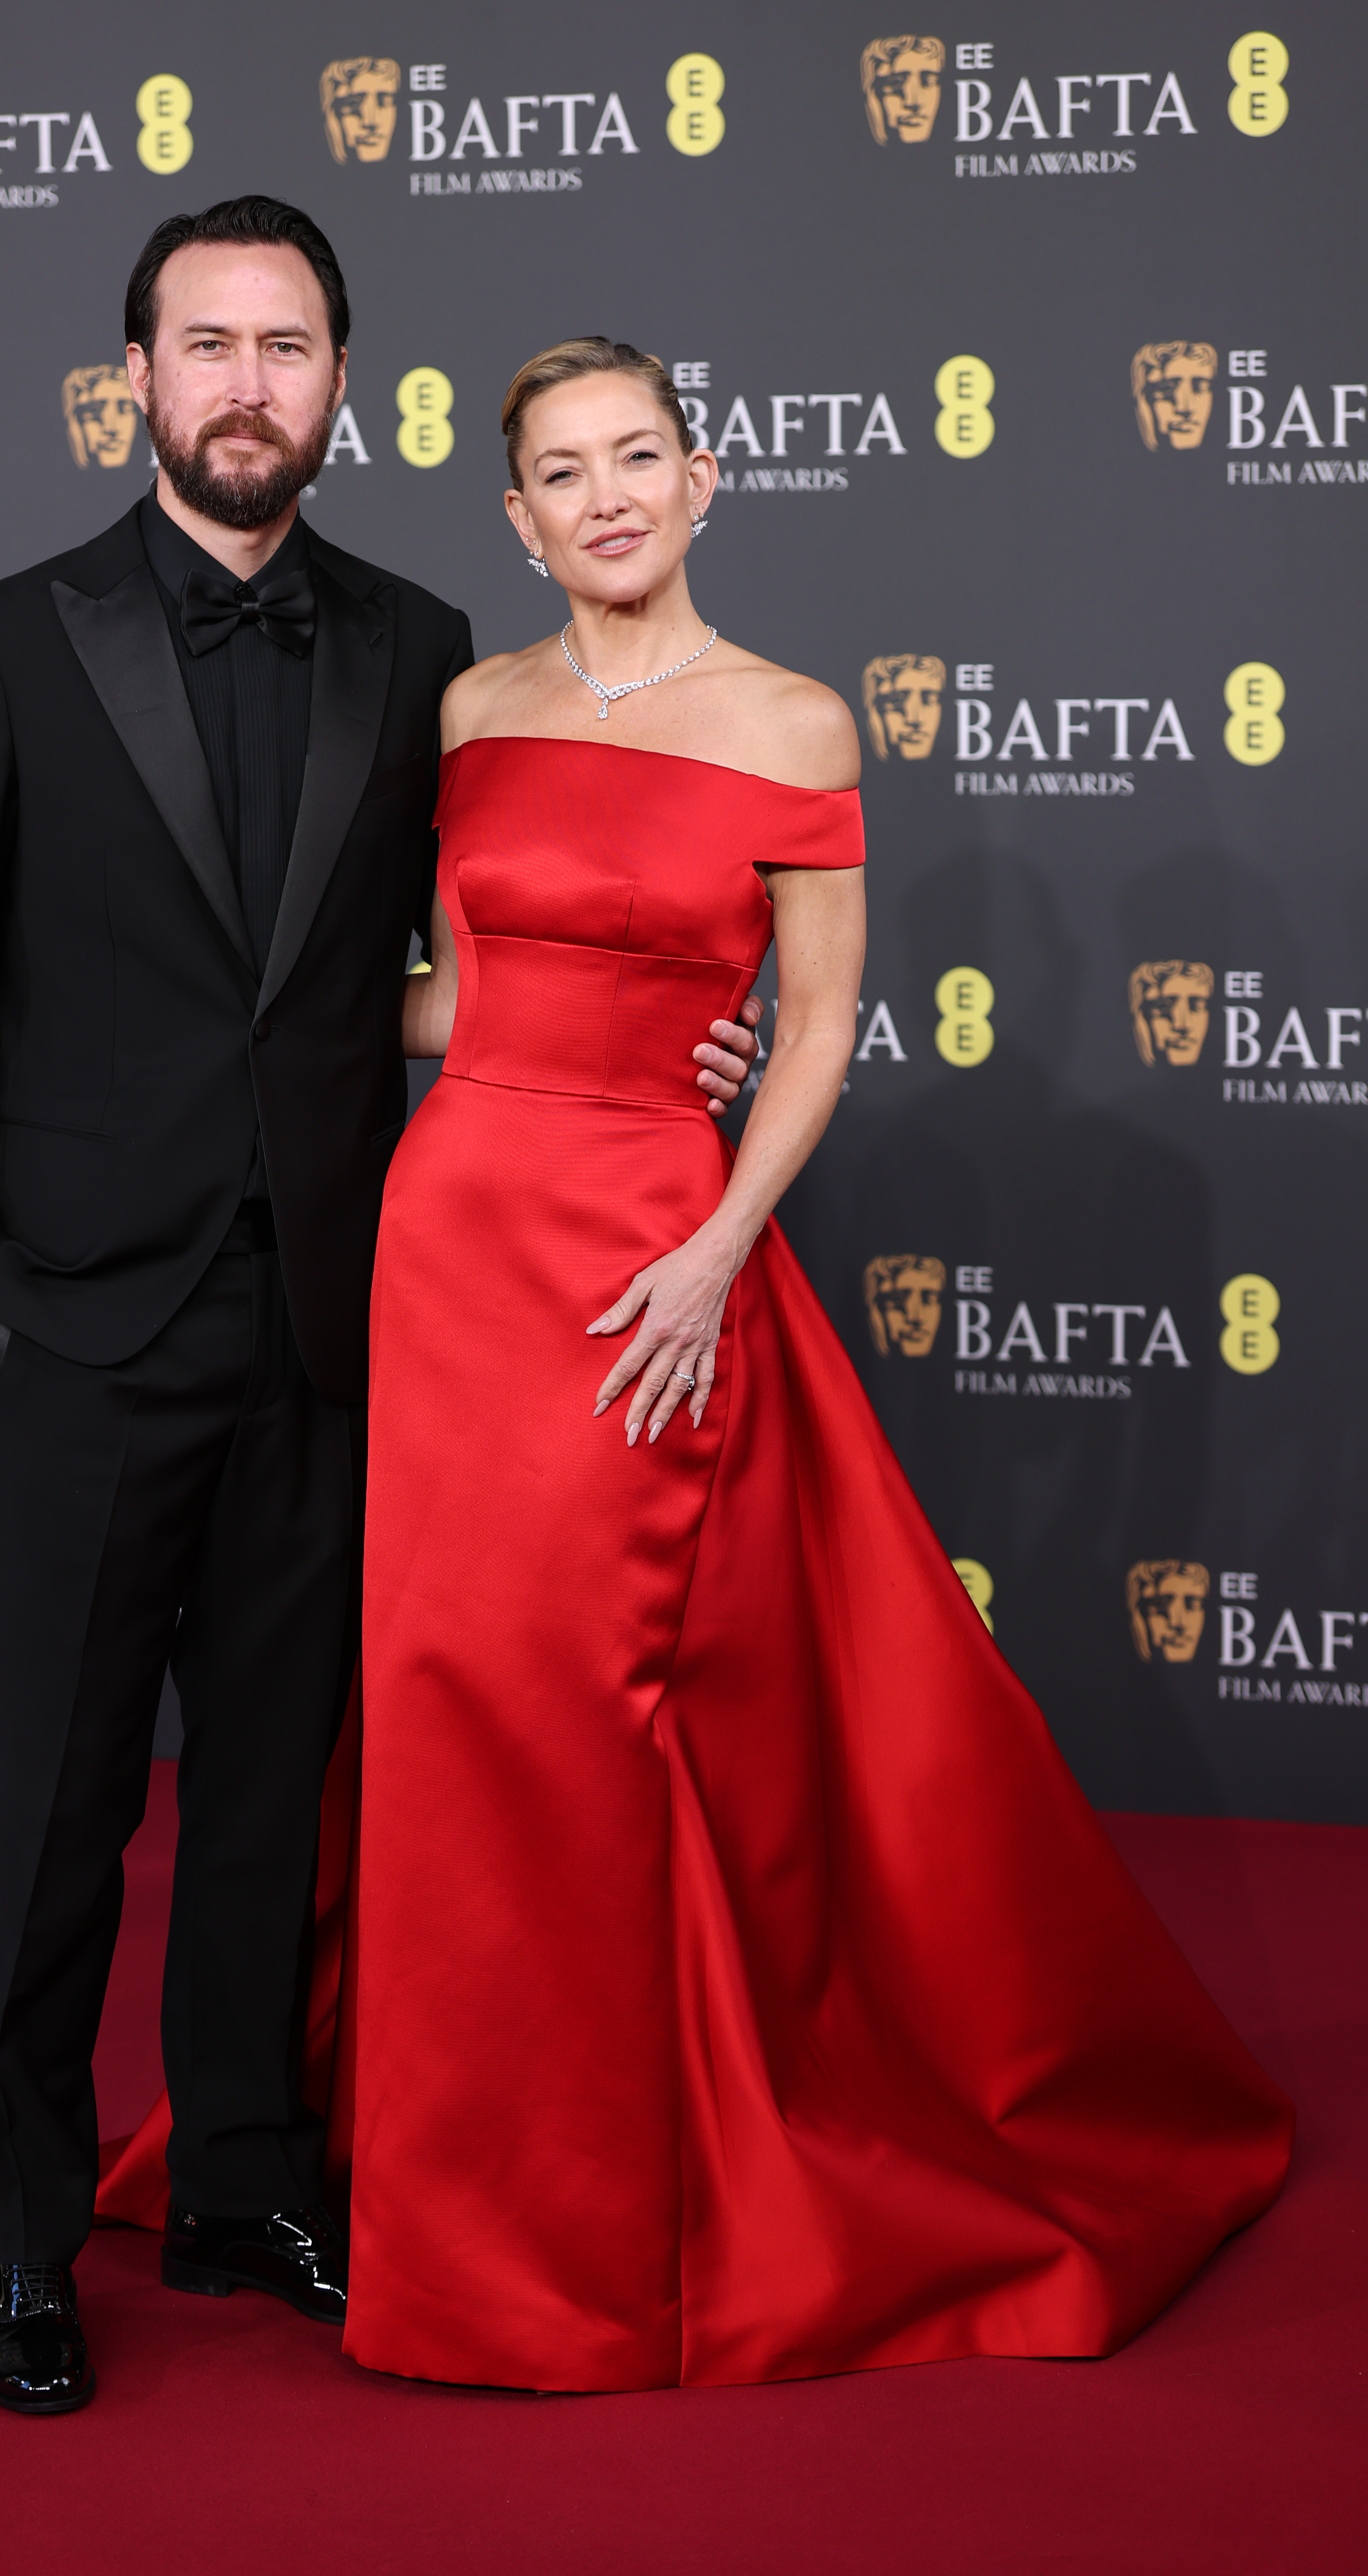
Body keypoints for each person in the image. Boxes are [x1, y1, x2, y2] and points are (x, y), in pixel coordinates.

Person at [342, 338, 1294, 2392]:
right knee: (439, 1695)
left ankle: (581, 2233)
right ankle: (426, 2186)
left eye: (638, 459)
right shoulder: (470, 708)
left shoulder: (790, 718)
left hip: (640, 1263)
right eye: (558, 474)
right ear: (511, 517)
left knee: (583, 1706)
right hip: (453, 1249)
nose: (603, 498)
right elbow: (445, 998)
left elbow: (820, 1024)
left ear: (707, 482)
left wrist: (709, 1245)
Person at [0, 216, 760, 2415]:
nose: (246, 381)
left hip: (353, 1328)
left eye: (287, 344)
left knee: (277, 1799)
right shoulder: (2, 641)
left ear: (342, 377)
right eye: (208, 345)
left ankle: (244, 2178)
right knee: (54, 1819)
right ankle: (19, 2240)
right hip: (81, 1331)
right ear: (138, 378)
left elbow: (470, 978)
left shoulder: (431, 644)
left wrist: (684, 1045)